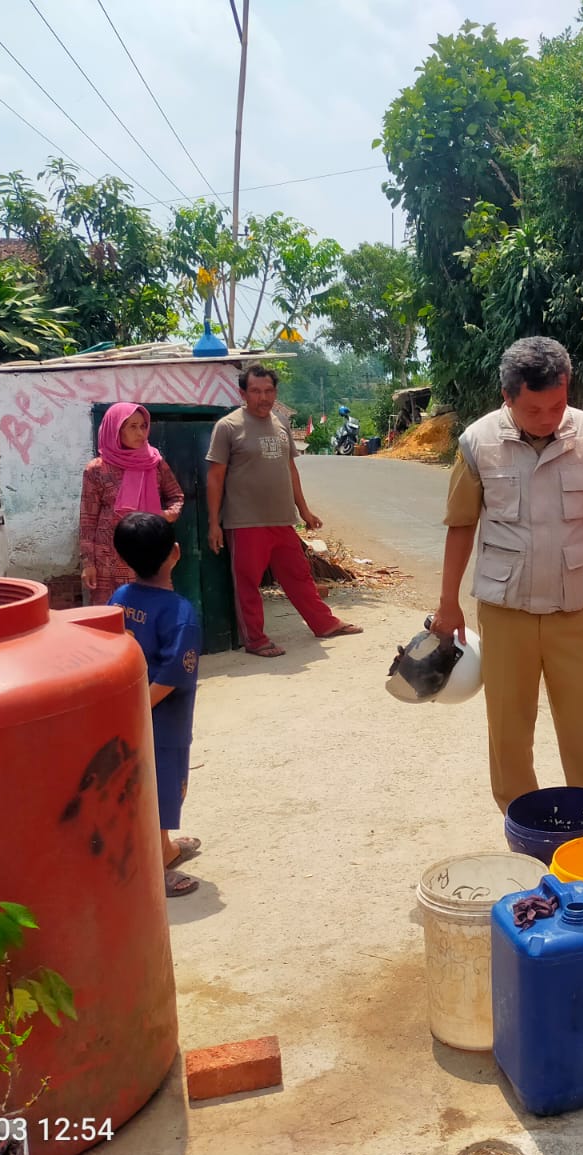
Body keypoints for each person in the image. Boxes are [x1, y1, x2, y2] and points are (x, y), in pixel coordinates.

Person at [429, 336, 583, 812]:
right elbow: (461, 525)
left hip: (574, 609)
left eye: (557, 405)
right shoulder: (477, 443)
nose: (548, 419)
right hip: (505, 613)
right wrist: (448, 600)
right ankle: (521, 818)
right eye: (534, 410)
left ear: (568, 387)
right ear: (507, 398)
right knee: (508, 725)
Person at [206, 363, 361, 657]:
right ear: (243, 393)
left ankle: (324, 623)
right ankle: (255, 640)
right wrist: (215, 523)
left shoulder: (280, 423)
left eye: (268, 391)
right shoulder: (228, 427)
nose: (262, 398)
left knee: (299, 575)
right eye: (255, 391)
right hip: (245, 521)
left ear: (275, 392)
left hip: (282, 519)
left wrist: (304, 510)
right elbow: (215, 477)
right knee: (248, 583)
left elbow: (290, 469)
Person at [111, 512, 204, 899]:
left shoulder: (119, 598)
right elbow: (171, 673)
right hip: (162, 721)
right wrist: (141, 709)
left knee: (140, 783)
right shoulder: (181, 615)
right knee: (165, 786)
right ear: (176, 554)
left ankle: (163, 846)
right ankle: (158, 861)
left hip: (126, 713)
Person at [79, 403, 184, 605]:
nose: (140, 433)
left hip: (149, 554)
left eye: (143, 426)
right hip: (108, 558)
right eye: (132, 426)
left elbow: (176, 495)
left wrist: (167, 515)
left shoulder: (155, 463)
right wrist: (88, 563)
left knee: (148, 613)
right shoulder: (96, 470)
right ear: (116, 430)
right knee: (110, 617)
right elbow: (87, 520)